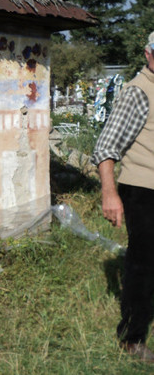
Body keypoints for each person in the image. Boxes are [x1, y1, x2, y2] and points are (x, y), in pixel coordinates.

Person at [92, 31, 154, 364]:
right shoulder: (138, 92)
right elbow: (106, 146)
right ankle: (132, 338)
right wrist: (109, 193)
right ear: (148, 54)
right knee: (143, 263)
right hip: (144, 190)